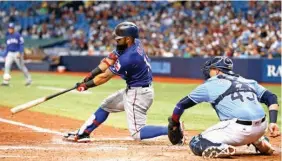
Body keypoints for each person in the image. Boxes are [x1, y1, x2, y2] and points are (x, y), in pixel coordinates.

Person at [64, 22, 178, 143]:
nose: (116, 41)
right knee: (106, 105)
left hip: (138, 94)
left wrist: (85, 86)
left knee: (137, 133)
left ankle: (171, 129)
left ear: (128, 39)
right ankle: (83, 133)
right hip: (135, 90)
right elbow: (110, 60)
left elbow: (105, 76)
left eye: (119, 39)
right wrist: (91, 75)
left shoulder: (129, 57)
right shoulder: (134, 43)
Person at [167, 56, 280, 158]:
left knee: (196, 142)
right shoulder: (248, 81)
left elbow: (181, 105)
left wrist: (174, 122)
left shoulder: (210, 84)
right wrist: (273, 122)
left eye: (210, 69)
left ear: (217, 71)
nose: (208, 72)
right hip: (262, 128)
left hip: (238, 130)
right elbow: (272, 98)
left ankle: (222, 148)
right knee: (249, 129)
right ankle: (259, 141)